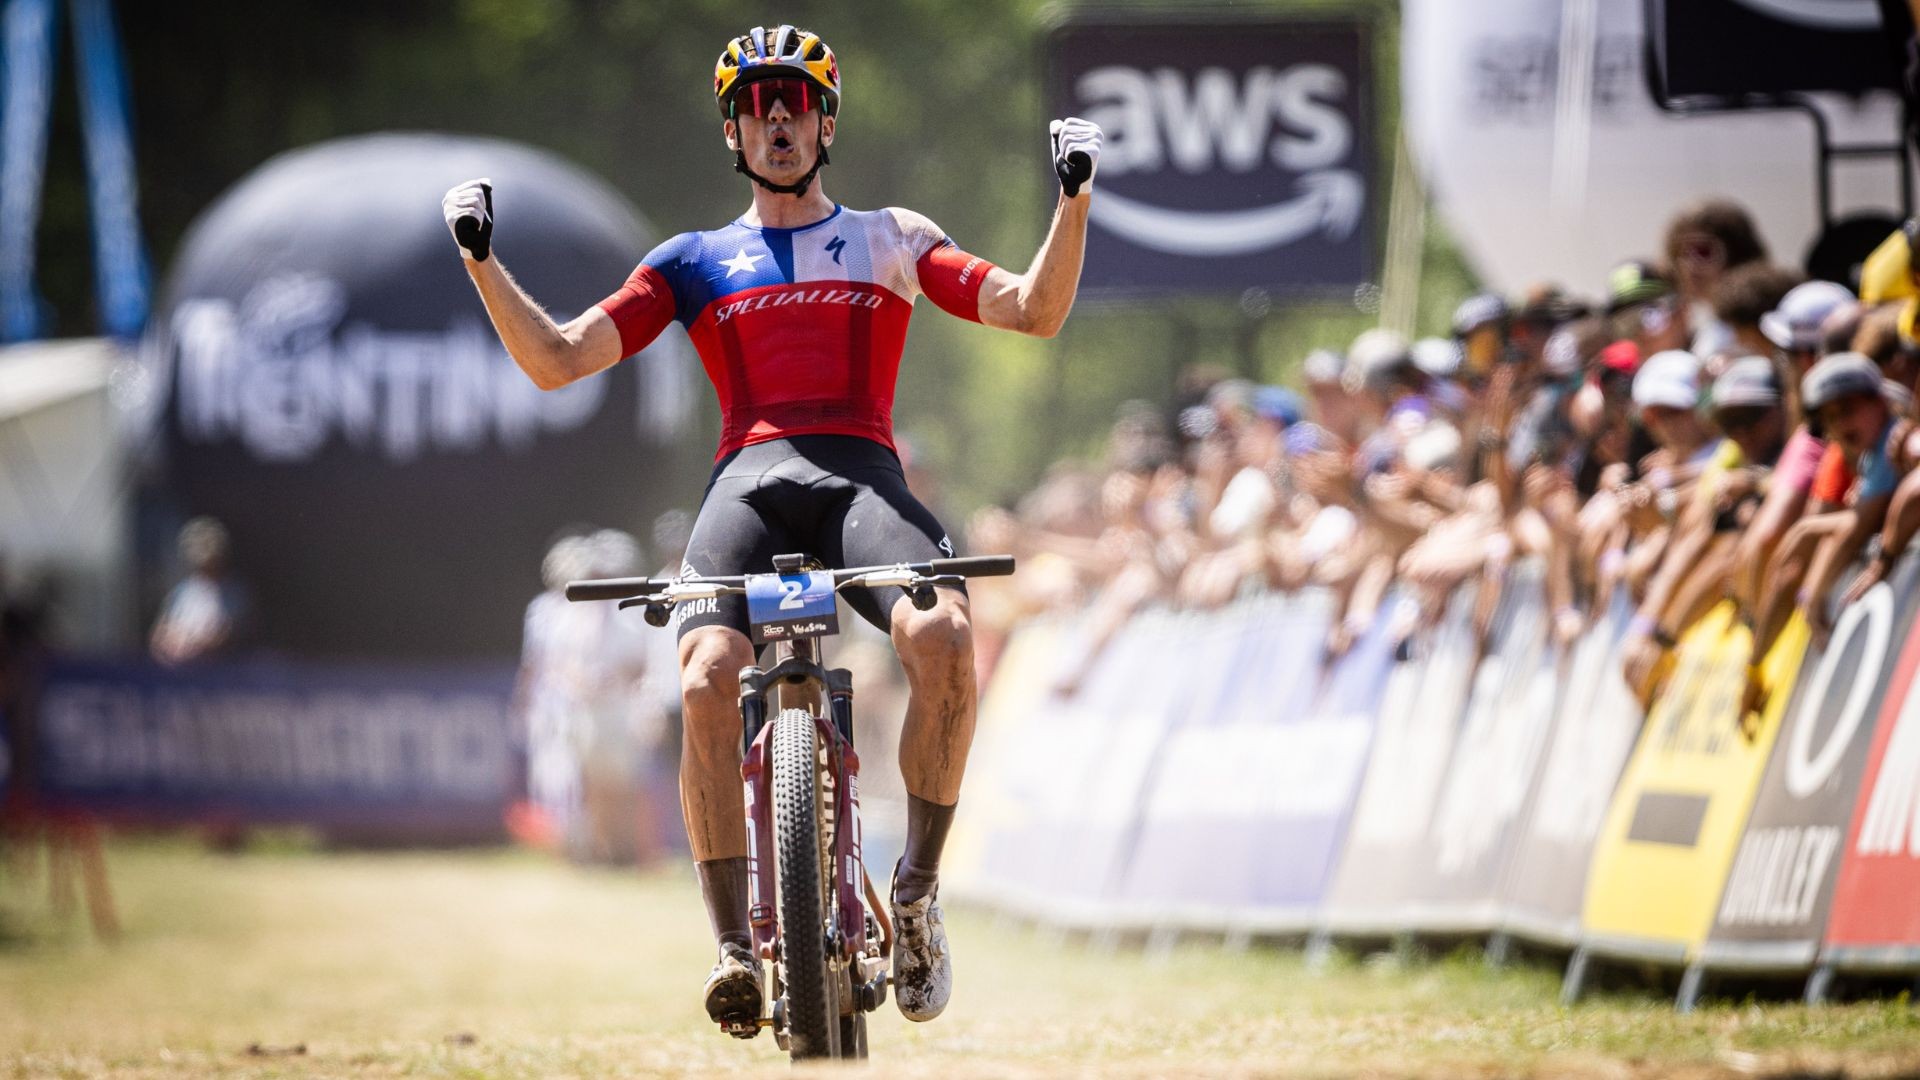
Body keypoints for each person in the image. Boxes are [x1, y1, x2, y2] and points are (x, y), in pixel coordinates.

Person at [443, 24, 1101, 1030]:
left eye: (795, 101)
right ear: (734, 132)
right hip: (745, 485)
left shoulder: (891, 236)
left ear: (826, 120)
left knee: (943, 634)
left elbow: (1032, 310)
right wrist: (480, 258)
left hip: (860, 478)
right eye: (756, 105)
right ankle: (730, 947)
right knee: (706, 676)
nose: (777, 118)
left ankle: (917, 894)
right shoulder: (694, 260)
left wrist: (1073, 199)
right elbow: (559, 359)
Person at [149, 517, 250, 666]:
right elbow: (159, 634)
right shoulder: (183, 591)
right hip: (180, 673)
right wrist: (169, 644)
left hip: (220, 675)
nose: (202, 552)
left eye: (207, 545)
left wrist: (196, 646)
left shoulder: (234, 591)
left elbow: (233, 634)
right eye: (196, 545)